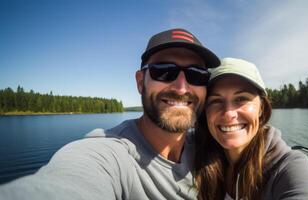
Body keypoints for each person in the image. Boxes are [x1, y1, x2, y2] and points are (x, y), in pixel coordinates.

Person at [0, 28, 220, 200]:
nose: (182, 88)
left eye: (197, 75)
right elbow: (70, 182)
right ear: (140, 82)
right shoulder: (107, 154)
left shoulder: (210, 144)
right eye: (164, 71)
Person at [194, 58, 308, 200]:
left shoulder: (290, 166)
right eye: (216, 101)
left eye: (241, 99)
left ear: (261, 108)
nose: (228, 113)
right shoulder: (197, 153)